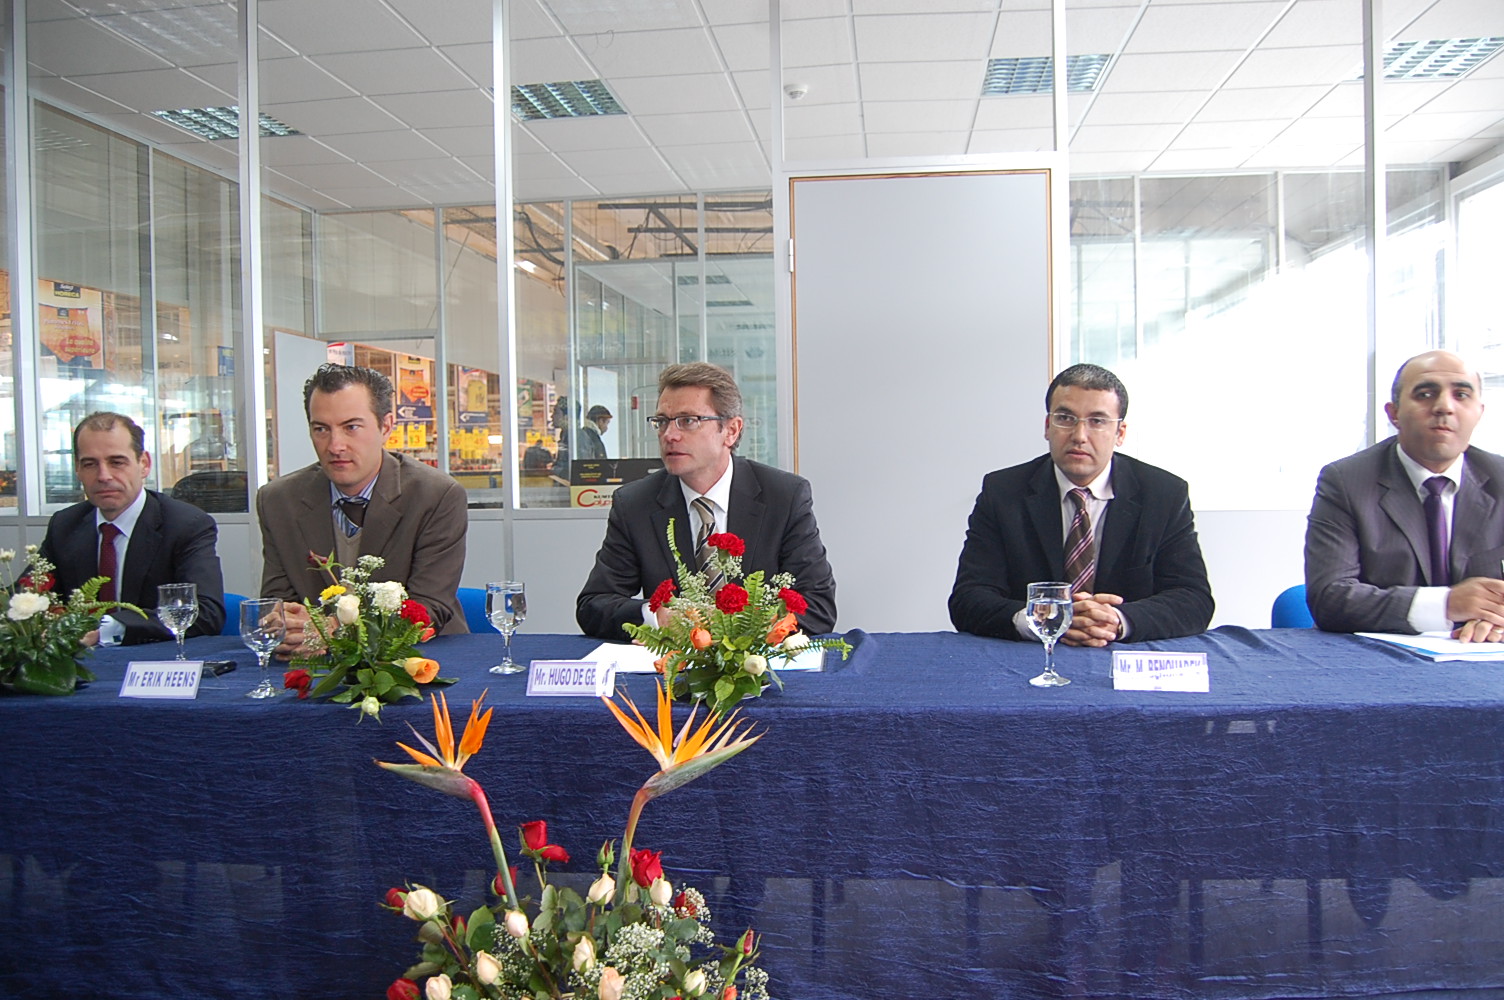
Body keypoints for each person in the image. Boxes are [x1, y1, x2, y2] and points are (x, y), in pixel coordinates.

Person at [949, 363, 1213, 645]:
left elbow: (1193, 599)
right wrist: (1045, 619)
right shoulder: (1003, 492)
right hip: (1031, 656)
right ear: (1048, 426)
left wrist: (1116, 620)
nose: (1079, 435)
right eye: (1065, 418)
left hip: (1123, 655)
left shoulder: (1163, 494)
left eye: (1097, 421)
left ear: (1120, 433)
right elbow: (968, 598)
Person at [577, 361, 837, 640]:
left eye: (688, 421)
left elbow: (818, 606)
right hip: (671, 663)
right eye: (662, 421)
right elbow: (594, 605)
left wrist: (745, 626)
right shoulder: (635, 504)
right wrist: (657, 617)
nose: (669, 435)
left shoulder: (783, 497)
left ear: (731, 430)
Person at [257, 363, 468, 656]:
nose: (335, 446)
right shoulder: (278, 501)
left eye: (351, 427)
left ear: (386, 426)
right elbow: (276, 602)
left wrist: (333, 630)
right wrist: (285, 625)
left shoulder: (436, 495)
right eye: (321, 429)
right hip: (312, 662)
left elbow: (427, 608)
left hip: (418, 659)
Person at [1305, 350, 1504, 640]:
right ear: (1394, 413)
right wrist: (1447, 605)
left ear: (1479, 412)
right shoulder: (1346, 481)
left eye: (1461, 395)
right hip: (1374, 656)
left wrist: (1496, 620)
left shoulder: (1500, 478)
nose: (1444, 407)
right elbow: (1330, 598)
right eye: (1425, 394)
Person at [37, 411, 226, 644]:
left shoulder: (185, 525)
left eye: (116, 462)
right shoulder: (65, 524)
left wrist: (107, 629)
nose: (104, 476)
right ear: (78, 470)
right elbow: (26, 597)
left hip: (150, 660)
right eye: (90, 464)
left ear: (144, 464)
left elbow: (206, 613)